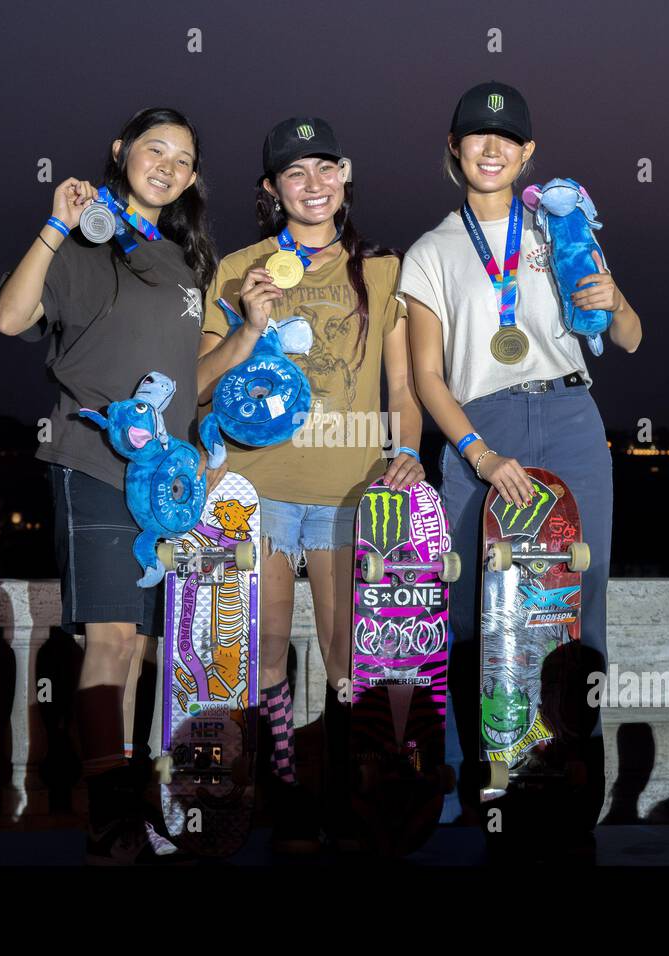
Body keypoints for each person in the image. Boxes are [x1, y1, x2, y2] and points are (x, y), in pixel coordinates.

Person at [399, 81, 643, 851]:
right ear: (454, 149)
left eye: (506, 139)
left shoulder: (564, 223)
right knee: (471, 612)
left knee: (582, 602)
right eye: (476, 137)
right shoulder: (432, 251)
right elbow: (427, 376)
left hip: (571, 416)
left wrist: (615, 299)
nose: (492, 148)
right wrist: (477, 452)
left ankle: (576, 776)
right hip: (481, 427)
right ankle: (489, 784)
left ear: (529, 152)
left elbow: (630, 336)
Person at [0, 106, 219, 863]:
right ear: (121, 152)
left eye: (183, 158)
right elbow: (7, 318)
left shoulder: (184, 260)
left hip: (169, 484)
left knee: (150, 646)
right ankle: (111, 810)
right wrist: (54, 225)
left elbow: (190, 382)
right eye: (154, 149)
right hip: (92, 463)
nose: (168, 165)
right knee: (111, 639)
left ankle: (132, 789)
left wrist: (250, 332)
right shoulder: (86, 236)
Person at [197, 117, 424, 852]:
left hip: (347, 489)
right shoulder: (235, 267)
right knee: (262, 653)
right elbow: (201, 388)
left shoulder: (384, 268)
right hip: (254, 488)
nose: (314, 185)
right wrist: (249, 322)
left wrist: (410, 451)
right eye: (296, 173)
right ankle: (285, 795)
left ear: (345, 176)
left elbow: (405, 386)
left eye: (326, 168)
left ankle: (343, 794)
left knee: (345, 653)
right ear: (271, 189)